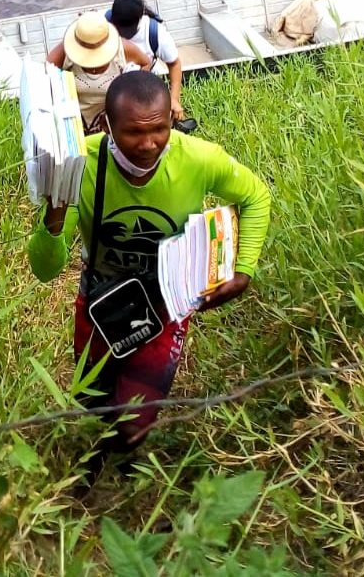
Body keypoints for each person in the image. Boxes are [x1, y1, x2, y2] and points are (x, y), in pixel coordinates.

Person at [26, 70, 271, 488]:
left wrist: (243, 269)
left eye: (159, 129)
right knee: (92, 400)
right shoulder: (79, 166)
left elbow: (256, 196)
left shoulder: (197, 158)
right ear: (106, 125)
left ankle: (124, 459)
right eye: (133, 133)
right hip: (102, 300)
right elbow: (45, 270)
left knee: (136, 414)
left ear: (170, 122)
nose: (149, 144)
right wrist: (53, 220)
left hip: (166, 303)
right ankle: (91, 462)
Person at [46, 10, 153, 134]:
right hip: (73, 128)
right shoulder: (66, 50)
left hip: (111, 126)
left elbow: (146, 63)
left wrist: (134, 90)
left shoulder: (122, 48)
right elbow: (45, 74)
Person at [106, 0, 188, 126]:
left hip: (144, 79)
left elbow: (174, 64)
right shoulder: (102, 27)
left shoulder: (155, 32)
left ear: (140, 18)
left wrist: (173, 99)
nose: (124, 36)